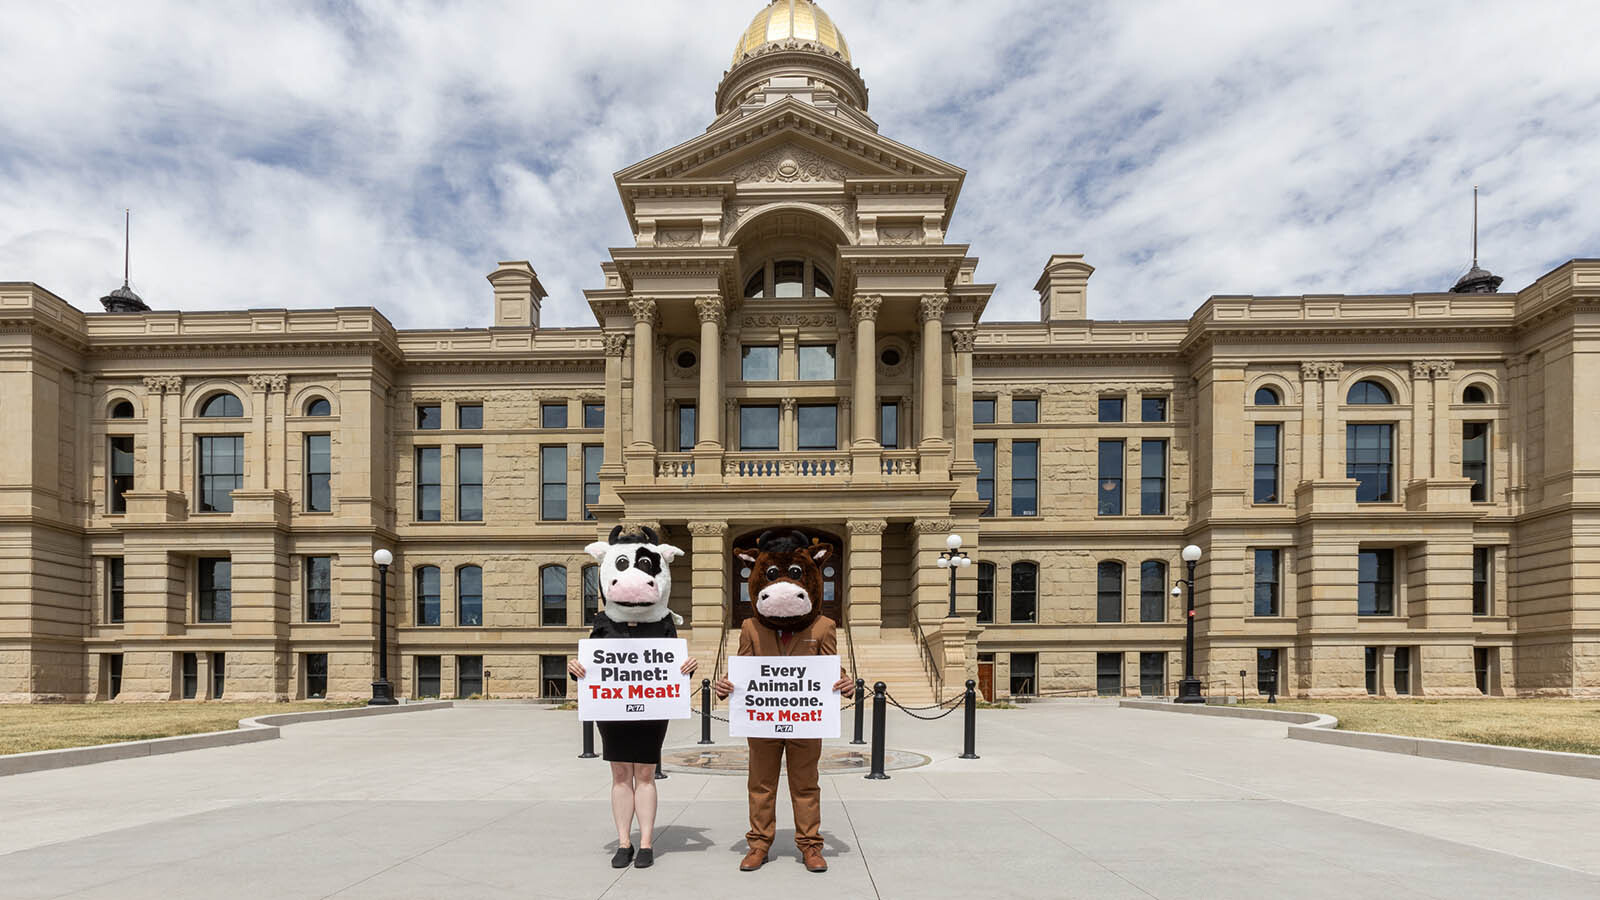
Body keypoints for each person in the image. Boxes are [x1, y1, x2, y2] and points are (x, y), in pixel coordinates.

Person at [716, 530, 854, 873]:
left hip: (805, 721)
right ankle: (759, 844)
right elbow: (744, 670)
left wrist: (845, 680)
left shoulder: (823, 626)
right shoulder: (749, 627)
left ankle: (810, 845)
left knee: (805, 784)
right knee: (760, 784)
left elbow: (830, 667)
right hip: (762, 721)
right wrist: (727, 686)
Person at [569, 526, 698, 869]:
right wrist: (576, 667)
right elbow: (590, 665)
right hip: (612, 708)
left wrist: (687, 666)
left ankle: (645, 843)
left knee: (646, 772)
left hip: (652, 707)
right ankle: (623, 842)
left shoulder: (665, 626)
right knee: (619, 774)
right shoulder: (602, 624)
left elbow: (673, 669)